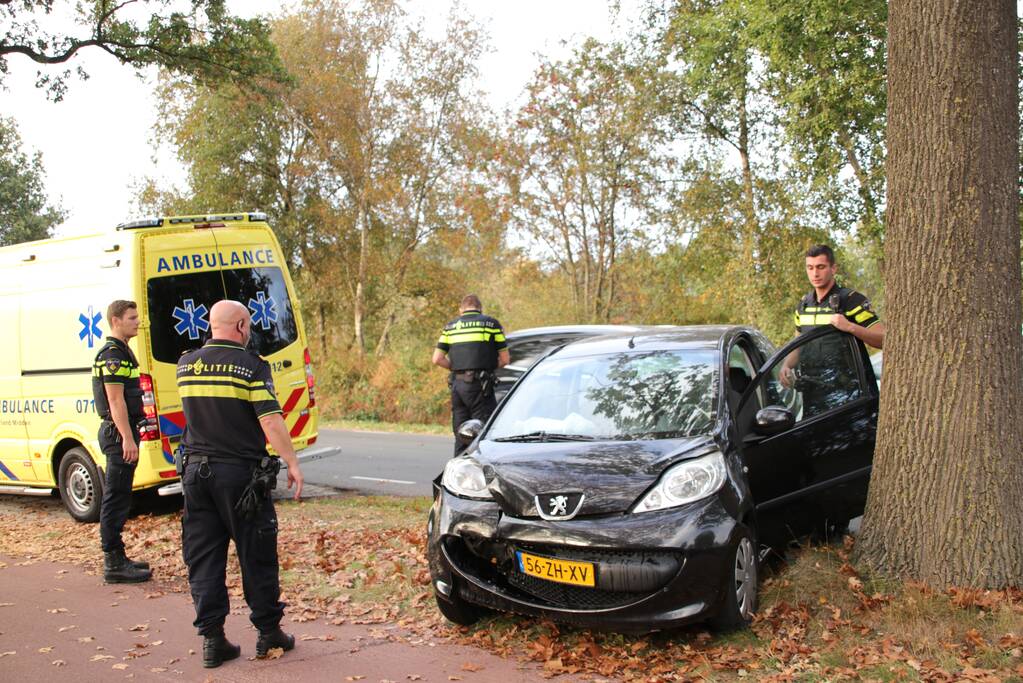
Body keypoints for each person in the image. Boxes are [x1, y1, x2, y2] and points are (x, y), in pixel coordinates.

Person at [176, 300, 304, 668]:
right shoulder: (250, 366)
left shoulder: (187, 364)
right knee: (256, 552)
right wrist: (292, 462)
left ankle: (213, 641)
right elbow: (271, 421)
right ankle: (268, 633)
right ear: (242, 326)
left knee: (204, 559)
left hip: (196, 477)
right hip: (241, 478)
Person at [780, 244, 886, 413]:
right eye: (810, 267)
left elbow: (883, 339)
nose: (815, 273)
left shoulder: (851, 300)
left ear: (833, 268)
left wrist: (850, 327)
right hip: (812, 396)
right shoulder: (803, 305)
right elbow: (798, 344)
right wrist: (787, 365)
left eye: (821, 267)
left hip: (848, 396)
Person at [92, 300, 152, 584]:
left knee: (121, 497)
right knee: (115, 498)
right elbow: (115, 400)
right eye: (131, 317)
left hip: (122, 433)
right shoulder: (112, 355)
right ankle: (113, 563)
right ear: (116, 321)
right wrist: (127, 438)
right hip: (118, 435)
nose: (137, 321)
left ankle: (119, 557)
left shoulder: (122, 352)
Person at [432, 294, 510, 454]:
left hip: (457, 387)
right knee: (482, 433)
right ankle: (479, 475)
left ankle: (456, 474)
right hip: (480, 387)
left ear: (461, 310)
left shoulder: (450, 327)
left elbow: (437, 359)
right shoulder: (491, 324)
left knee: (461, 434)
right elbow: (505, 359)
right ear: (480, 309)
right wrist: (484, 368)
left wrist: (457, 368)